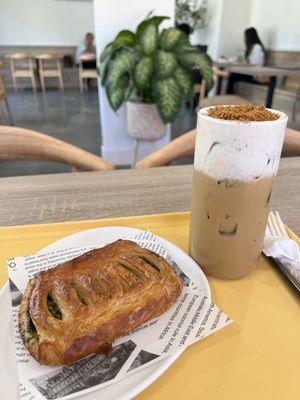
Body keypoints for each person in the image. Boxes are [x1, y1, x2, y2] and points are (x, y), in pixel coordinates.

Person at [227, 27, 266, 94]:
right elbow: (240, 59)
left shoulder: (257, 47)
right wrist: (227, 59)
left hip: (253, 73)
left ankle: (229, 95)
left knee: (233, 75)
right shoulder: (249, 48)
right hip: (248, 72)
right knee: (233, 74)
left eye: (245, 36)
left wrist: (245, 64)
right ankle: (229, 95)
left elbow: (256, 64)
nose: (244, 39)